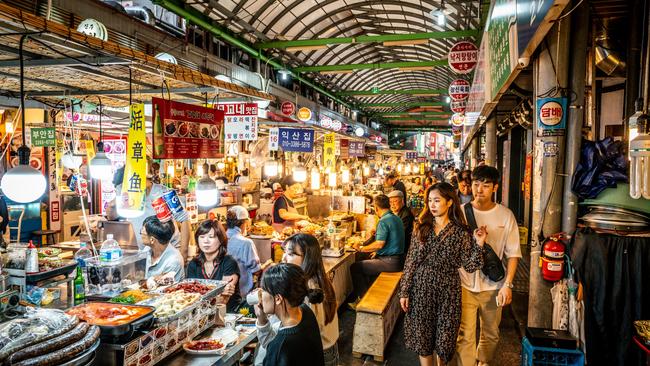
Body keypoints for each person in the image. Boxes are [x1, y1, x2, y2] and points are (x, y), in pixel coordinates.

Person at [399, 183, 485, 366]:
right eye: (430, 201)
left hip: (449, 292)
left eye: (437, 200)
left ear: (449, 202)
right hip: (421, 289)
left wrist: (479, 244)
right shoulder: (421, 227)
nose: (432, 205)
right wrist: (404, 291)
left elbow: (470, 266)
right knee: (423, 339)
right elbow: (411, 261)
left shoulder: (461, 232)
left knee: (445, 341)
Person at [454, 166, 522, 366]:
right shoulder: (461, 214)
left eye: (485, 185)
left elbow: (513, 254)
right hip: (464, 284)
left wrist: (507, 285)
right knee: (464, 334)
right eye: (476, 184)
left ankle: (483, 361)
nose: (479, 189)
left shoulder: (505, 215)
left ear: (495, 187)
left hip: (493, 285)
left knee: (491, 334)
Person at [106, 170, 190, 261]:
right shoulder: (128, 197)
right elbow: (112, 217)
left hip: (169, 254)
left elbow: (184, 218)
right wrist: (114, 202)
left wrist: (183, 252)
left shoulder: (164, 192)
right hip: (145, 254)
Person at [282, 234, 340, 366]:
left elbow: (302, 333)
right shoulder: (320, 279)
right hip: (329, 348)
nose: (284, 258)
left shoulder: (308, 289)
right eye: (284, 252)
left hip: (318, 353)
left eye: (291, 254)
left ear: (307, 258)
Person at [255, 263, 325, 366]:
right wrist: (262, 319)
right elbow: (272, 343)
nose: (260, 294)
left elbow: (276, 348)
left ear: (278, 298)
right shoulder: (305, 311)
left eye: (264, 290)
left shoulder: (281, 345)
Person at [350, 194, 405, 305]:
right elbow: (390, 240)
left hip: (390, 262)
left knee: (355, 267)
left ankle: (363, 301)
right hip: (399, 260)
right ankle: (369, 296)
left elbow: (379, 244)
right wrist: (376, 251)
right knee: (368, 262)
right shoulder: (396, 218)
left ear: (376, 208)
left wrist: (361, 248)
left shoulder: (383, 221)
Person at [186, 219, 241, 312]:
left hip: (228, 313)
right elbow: (190, 296)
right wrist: (218, 292)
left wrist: (202, 295)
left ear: (220, 240)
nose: (206, 241)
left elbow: (223, 299)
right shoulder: (193, 264)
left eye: (211, 237)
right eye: (202, 237)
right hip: (201, 314)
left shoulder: (229, 262)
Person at [226, 205, 261, 297]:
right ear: (243, 223)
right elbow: (256, 270)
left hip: (224, 291)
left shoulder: (220, 238)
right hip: (242, 293)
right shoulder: (246, 243)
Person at [140, 215, 185, 282]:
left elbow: (165, 289)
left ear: (152, 240)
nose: (140, 235)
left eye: (142, 232)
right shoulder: (147, 250)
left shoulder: (173, 262)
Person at [387, 190, 415, 255]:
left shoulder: (406, 215)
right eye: (390, 202)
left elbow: (398, 235)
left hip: (401, 250)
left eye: (395, 201)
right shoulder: (395, 212)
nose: (392, 204)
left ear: (402, 201)